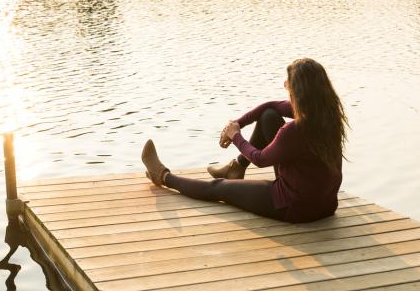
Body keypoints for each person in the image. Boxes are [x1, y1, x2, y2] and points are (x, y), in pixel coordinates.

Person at [141, 58, 348, 223]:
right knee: (268, 116)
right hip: (326, 206)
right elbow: (271, 106)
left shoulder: (294, 129)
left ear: (299, 90)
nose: (285, 86)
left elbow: (260, 159)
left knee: (218, 187)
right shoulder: (329, 116)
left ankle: (163, 176)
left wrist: (235, 136)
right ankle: (237, 167)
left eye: (288, 84)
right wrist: (238, 123)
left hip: (294, 207)